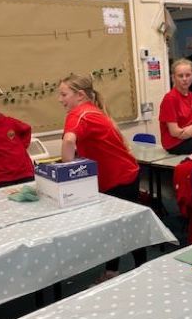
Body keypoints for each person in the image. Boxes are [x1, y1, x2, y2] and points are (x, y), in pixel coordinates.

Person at [58, 74, 142, 277]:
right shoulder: (91, 110)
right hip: (122, 175)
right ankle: (113, 271)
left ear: (79, 95)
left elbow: (69, 141)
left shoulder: (78, 113)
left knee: (125, 228)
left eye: (63, 94)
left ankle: (138, 269)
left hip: (120, 178)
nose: (60, 99)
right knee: (117, 228)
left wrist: (66, 172)